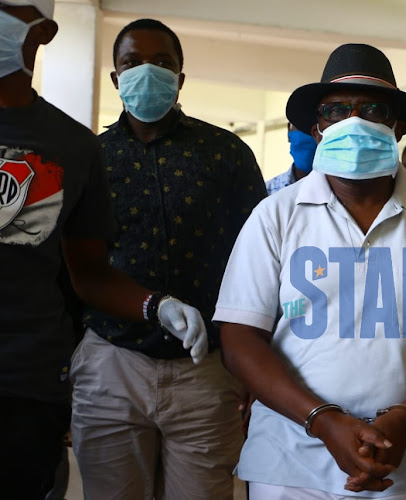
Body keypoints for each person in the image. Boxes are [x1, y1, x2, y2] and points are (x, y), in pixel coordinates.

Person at [214, 43, 406, 500]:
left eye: (372, 109)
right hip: (291, 465)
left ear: (397, 125)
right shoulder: (276, 215)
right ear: (316, 128)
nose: (354, 122)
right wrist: (322, 420)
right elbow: (239, 337)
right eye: (336, 111)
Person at [0, 3, 206, 499]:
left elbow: (87, 272)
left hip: (19, 386)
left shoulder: (67, 146)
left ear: (43, 30)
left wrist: (156, 305)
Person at [70, 18, 267, 500]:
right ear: (116, 79)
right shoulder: (91, 157)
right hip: (112, 361)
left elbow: (262, 263)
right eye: (132, 63)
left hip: (206, 369)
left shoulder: (226, 153)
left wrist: (253, 367)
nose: (148, 73)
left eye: (163, 63)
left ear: (181, 78)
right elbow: (72, 265)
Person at [266, 123, 317, 194]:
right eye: (301, 127)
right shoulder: (266, 193)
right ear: (288, 130)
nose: (308, 134)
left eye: (316, 129)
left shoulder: (336, 192)